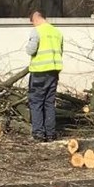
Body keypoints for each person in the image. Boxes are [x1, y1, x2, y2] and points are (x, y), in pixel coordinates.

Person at [26, 10, 64, 142]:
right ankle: (51, 134)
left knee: (36, 103)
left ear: (35, 19)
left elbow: (30, 50)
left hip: (39, 72)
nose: (33, 25)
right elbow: (61, 51)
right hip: (53, 72)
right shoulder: (57, 32)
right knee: (49, 103)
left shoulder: (37, 31)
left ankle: (38, 134)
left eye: (32, 23)